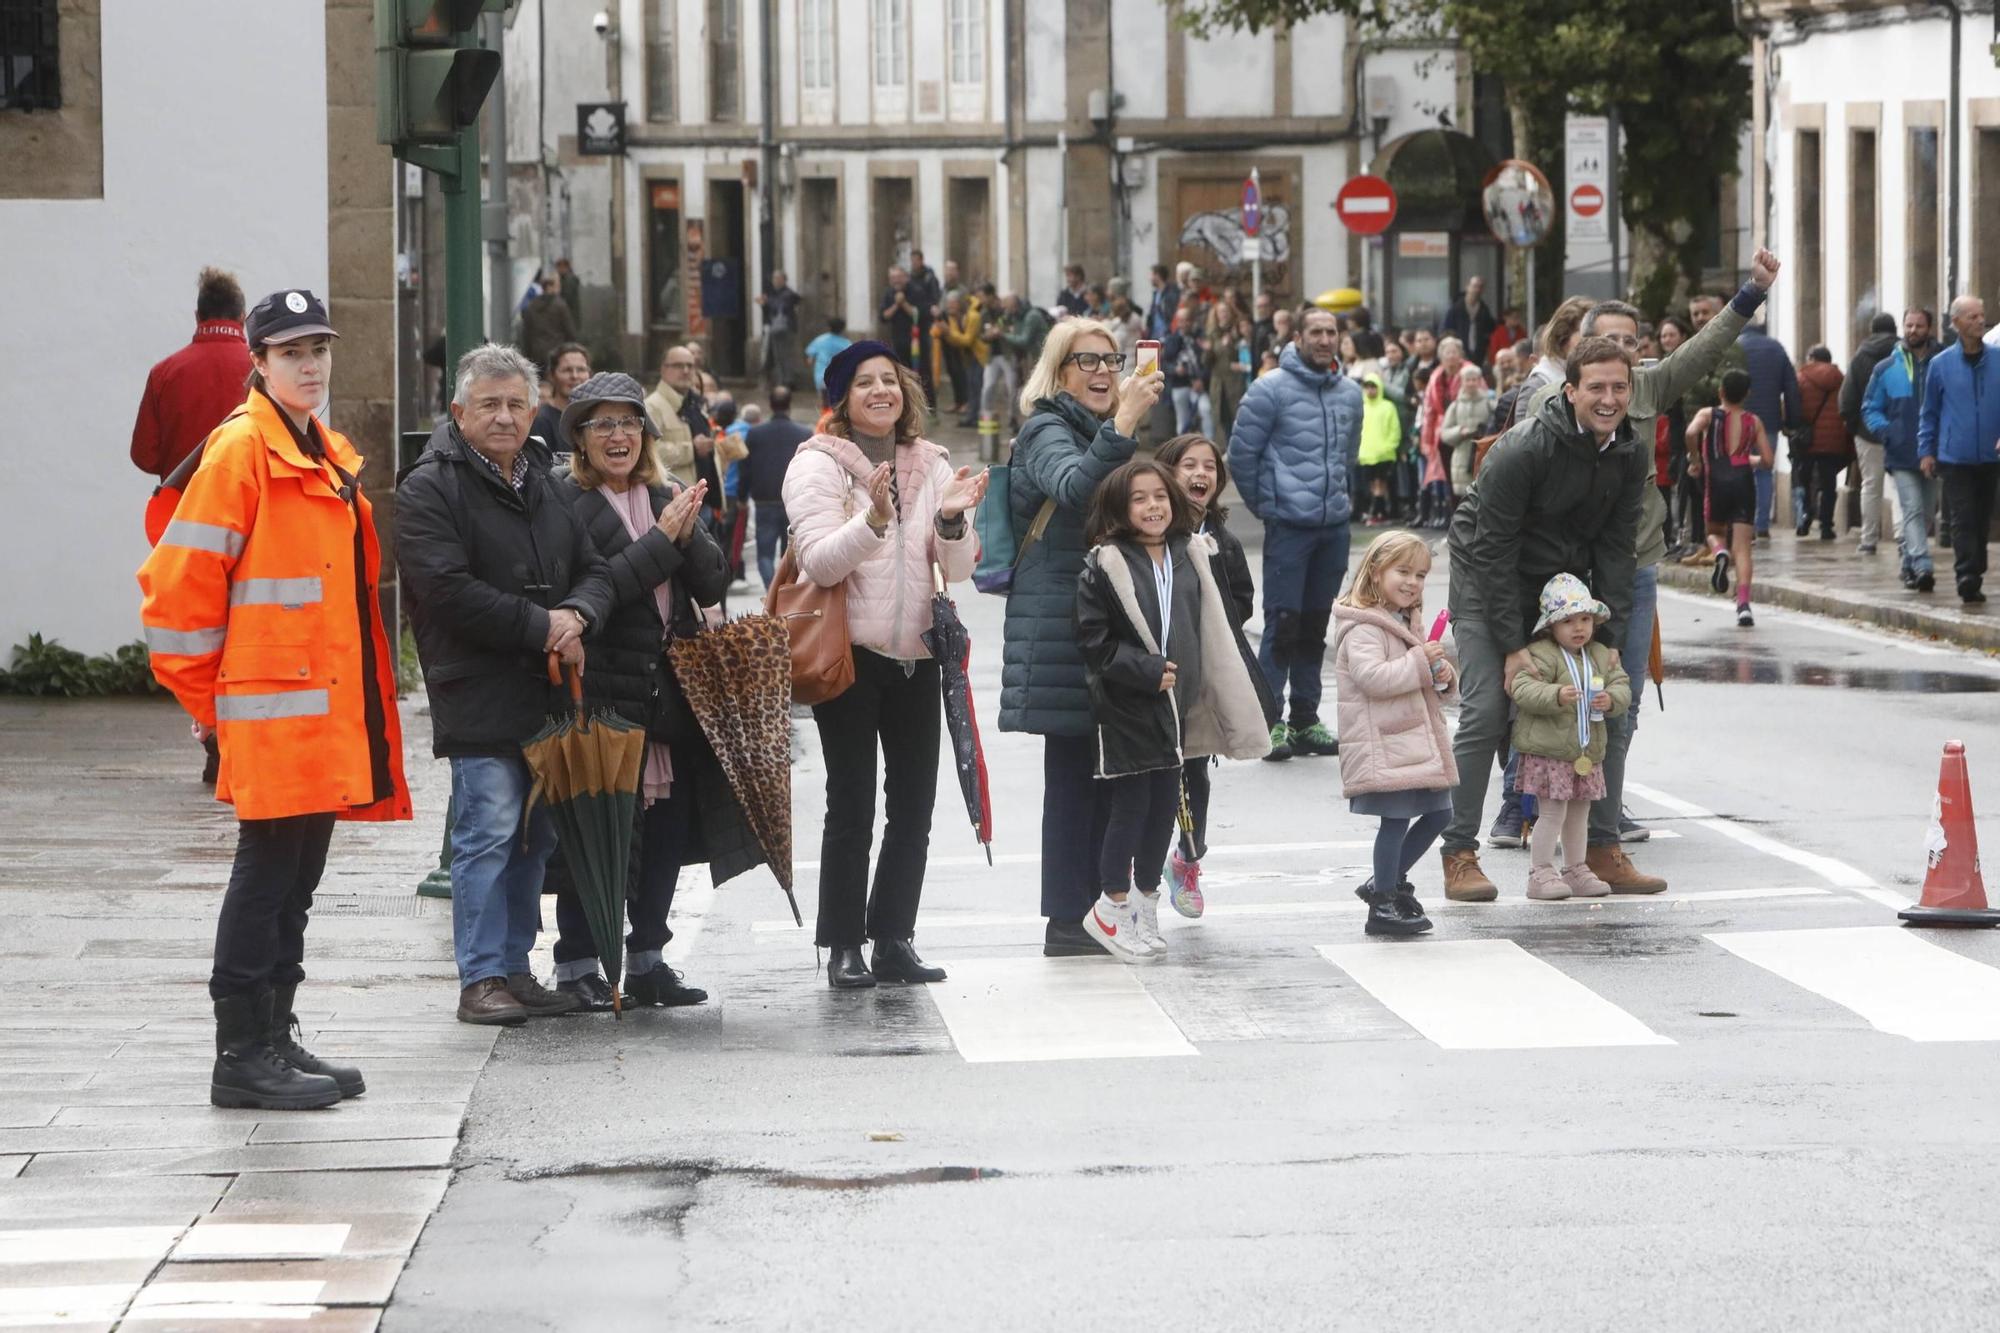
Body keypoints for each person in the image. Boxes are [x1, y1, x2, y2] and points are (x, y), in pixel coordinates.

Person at [139, 288, 412, 1110]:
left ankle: (275, 1034)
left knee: (296, 880)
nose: (310, 364)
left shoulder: (318, 450)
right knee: (265, 879)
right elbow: (176, 599)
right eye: (292, 352)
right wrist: (216, 710)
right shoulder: (242, 452)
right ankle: (241, 1054)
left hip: (317, 716)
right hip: (272, 718)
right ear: (257, 362)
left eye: (319, 349)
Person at [397, 344, 613, 1026]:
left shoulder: (546, 479)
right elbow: (445, 590)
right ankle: (481, 975)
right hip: (479, 689)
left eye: (517, 404)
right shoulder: (430, 487)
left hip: (546, 694)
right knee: (488, 828)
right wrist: (540, 625)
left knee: (534, 838)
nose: (504, 416)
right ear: (457, 411)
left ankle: (517, 968)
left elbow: (595, 565)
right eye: (489, 404)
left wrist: (578, 614)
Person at [783, 342, 987, 988]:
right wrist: (873, 519)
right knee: (852, 804)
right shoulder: (816, 465)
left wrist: (952, 521)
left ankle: (893, 936)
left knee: (914, 806)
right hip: (849, 654)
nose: (881, 392)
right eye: (864, 382)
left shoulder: (932, 464)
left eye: (890, 381)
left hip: (917, 655)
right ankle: (844, 942)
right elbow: (818, 562)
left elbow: (956, 568)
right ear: (841, 398)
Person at [1438, 337, 1645, 902]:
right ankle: (1459, 851)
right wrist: (1511, 645)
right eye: (1596, 387)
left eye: (1619, 387)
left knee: (1604, 708)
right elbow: (1492, 548)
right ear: (1571, 390)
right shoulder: (1525, 448)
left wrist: (1610, 645)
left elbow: (1615, 552)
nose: (1609, 399)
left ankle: (1601, 849)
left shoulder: (1629, 451)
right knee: (1486, 712)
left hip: (1561, 590)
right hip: (1487, 575)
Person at [551, 373, 732, 1009]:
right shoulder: (565, 503)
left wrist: (687, 537)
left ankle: (649, 957)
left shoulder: (667, 491)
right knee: (600, 827)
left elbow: (713, 583)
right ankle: (576, 963)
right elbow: (602, 588)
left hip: (670, 690)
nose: (618, 435)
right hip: (602, 689)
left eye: (629, 423)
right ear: (580, 437)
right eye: (602, 424)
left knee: (667, 827)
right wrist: (662, 543)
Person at [1001, 319, 1165, 957]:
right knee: (1074, 776)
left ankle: (1099, 907)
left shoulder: (1095, 428)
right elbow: (1073, 490)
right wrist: (1123, 425)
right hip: (1061, 623)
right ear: (1058, 371)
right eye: (1086, 361)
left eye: (1111, 360)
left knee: (1108, 771)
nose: (1102, 372)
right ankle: (1068, 919)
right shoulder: (1045, 427)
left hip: (1096, 620)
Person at [1074, 459, 1270, 962]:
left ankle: (1144, 903)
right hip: (1129, 704)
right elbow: (1094, 644)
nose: (1152, 506)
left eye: (1159, 496)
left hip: (1181, 704)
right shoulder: (1106, 561)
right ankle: (1110, 908)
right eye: (1139, 498)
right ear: (1120, 508)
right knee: (1130, 808)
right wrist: (1144, 670)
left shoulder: (1191, 552)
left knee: (1164, 808)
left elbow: (1219, 622)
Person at [1228, 306, 1363, 762]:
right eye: (1317, 332)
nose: (1325, 340)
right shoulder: (1269, 390)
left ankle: (1306, 718)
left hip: (1333, 527)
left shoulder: (1350, 393)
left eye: (1332, 332)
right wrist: (1268, 507)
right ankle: (1270, 721)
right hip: (1289, 526)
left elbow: (1349, 456)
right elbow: (1241, 456)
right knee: (1282, 625)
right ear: (1299, 337)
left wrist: (1343, 501)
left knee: (1314, 624)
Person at [1156, 433, 1262, 916]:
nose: (1201, 475)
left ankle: (1187, 858)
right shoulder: (1154, 535)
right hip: (1158, 674)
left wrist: (1213, 631)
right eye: (1189, 466)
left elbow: (1242, 599)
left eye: (1210, 468)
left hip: (1203, 674)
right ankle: (1136, 877)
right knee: (1155, 776)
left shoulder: (1223, 538)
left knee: (1194, 770)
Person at [1332, 531, 1458, 936]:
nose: (1412, 582)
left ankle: (1384, 882)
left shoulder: (1406, 620)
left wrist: (1440, 675)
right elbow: (1374, 679)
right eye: (1402, 571)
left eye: (1420, 575)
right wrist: (1420, 661)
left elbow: (1415, 675)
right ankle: (1383, 901)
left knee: (1441, 812)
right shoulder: (1363, 627)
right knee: (1395, 819)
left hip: (1409, 741)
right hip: (1383, 742)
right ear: (1374, 572)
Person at [1508, 574, 1632, 901]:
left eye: (1585, 619)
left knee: (1580, 813)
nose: (1579, 628)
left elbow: (1621, 683)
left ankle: (1576, 868)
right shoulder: (1542, 654)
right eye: (1567, 621)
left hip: (1586, 752)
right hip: (1549, 753)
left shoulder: (1600, 654)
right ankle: (1540, 872)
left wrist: (1613, 698)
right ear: (1551, 626)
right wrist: (1554, 695)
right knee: (1552, 813)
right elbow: (1522, 688)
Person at [131, 267, 255, 482]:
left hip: (183, 506)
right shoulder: (265, 370)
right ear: (242, 318)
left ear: (198, 317)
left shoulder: (163, 373)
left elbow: (144, 456)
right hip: (247, 507)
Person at [1918, 295, 2000, 604]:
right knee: (1963, 518)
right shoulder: (1940, 365)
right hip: (1954, 456)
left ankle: (1975, 568)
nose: (1980, 321)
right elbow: (1930, 412)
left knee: (1982, 519)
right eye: (1972, 317)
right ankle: (1966, 575)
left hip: (1991, 456)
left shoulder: (1998, 360)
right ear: (1956, 323)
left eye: (1982, 315)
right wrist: (1926, 451)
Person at [1686, 370, 1774, 628]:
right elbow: (1767, 461)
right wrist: (1749, 459)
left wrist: (1695, 460)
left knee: (1714, 531)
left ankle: (1720, 552)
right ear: (1747, 394)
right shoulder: (1753, 421)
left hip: (1716, 479)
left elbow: (1691, 433)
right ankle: (1744, 605)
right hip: (1744, 481)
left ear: (1720, 391)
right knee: (1744, 547)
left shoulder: (1707, 415)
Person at [1862, 309, 1940, 592]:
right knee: (1912, 509)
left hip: (1935, 452)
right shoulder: (1886, 368)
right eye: (1909, 325)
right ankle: (1922, 564)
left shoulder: (1941, 363)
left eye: (1919, 325)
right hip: (1901, 453)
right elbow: (1870, 408)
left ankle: (1908, 563)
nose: (1913, 330)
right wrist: (1887, 432)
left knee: (1927, 513)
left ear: (1929, 328)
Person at [1844, 311, 1902, 555]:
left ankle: (1868, 539)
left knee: (1871, 485)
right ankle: (1903, 536)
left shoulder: (1860, 357)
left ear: (1872, 330)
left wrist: (1854, 425)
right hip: (1901, 429)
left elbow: (1847, 398)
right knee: (1902, 483)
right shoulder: (1903, 354)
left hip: (1867, 431)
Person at [1737, 318, 1800, 539]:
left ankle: (1743, 522)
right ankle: (1761, 524)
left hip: (1738, 420)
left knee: (1740, 471)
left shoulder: (1735, 348)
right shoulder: (1776, 348)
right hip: (1769, 422)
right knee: (1765, 471)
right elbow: (1791, 388)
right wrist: (1792, 422)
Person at [742, 383, 811, 586]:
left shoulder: (755, 434)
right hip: (793, 501)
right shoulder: (804, 433)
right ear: (789, 404)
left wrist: (741, 497)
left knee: (764, 553)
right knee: (789, 555)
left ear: (770, 405)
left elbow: (746, 468)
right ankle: (783, 593)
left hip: (764, 500)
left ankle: (771, 592)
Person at [1794, 347, 1851, 541]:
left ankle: (1805, 518)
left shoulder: (1801, 378)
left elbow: (1794, 406)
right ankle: (1826, 526)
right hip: (1833, 440)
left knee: (1805, 480)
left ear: (1811, 358)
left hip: (1807, 441)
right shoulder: (1840, 378)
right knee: (1828, 484)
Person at [645, 344, 716, 491]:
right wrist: (691, 449)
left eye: (690, 366)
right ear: (663, 369)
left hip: (704, 499)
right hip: (677, 501)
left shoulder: (696, 403)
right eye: (678, 366)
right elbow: (647, 453)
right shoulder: (652, 406)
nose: (685, 371)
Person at [530, 342, 591, 460]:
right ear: (551, 375)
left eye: (581, 369)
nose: (575, 376)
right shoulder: (541, 420)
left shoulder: (594, 418)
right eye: (567, 370)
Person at [1356, 371, 1402, 526]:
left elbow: (1394, 429)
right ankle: (1378, 512)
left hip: (1384, 454)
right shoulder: (1361, 407)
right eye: (1367, 387)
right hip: (1366, 454)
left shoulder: (1388, 407)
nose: (1370, 390)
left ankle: (1378, 513)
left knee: (1380, 484)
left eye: (1373, 387)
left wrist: (1389, 446)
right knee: (1372, 485)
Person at [1203, 300, 1251, 447]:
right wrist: (1209, 350)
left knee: (1236, 416)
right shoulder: (1212, 334)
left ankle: (1236, 448)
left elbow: (1243, 354)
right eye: (1220, 312)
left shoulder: (1237, 332)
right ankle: (1226, 448)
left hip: (1235, 382)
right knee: (1221, 417)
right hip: (1218, 383)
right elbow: (1206, 363)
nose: (1223, 315)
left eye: (1226, 311)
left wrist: (1228, 345)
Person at [1440, 363, 1492, 497]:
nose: (1471, 383)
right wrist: (1459, 431)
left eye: (1474, 379)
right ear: (1462, 382)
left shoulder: (1489, 402)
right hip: (1462, 455)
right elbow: (1444, 433)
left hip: (1484, 452)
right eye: (1468, 380)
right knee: (1465, 497)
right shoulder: (1455, 406)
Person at [938, 291, 987, 427]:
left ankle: (977, 417)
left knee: (977, 387)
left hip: (980, 355)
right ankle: (971, 417)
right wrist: (948, 333)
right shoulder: (954, 318)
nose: (950, 308)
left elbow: (967, 340)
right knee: (971, 387)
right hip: (969, 357)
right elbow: (956, 340)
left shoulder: (973, 316)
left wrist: (948, 332)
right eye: (948, 305)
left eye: (952, 304)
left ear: (960, 304)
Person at [518, 274, 579, 375]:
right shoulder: (560, 306)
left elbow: (526, 334)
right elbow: (570, 332)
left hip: (536, 354)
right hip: (556, 353)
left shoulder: (531, 306)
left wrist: (527, 356)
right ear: (554, 286)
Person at [756, 269, 802, 390]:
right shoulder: (775, 293)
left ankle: (788, 380)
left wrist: (767, 301)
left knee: (785, 355)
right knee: (777, 356)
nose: (774, 281)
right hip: (776, 328)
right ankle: (782, 379)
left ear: (783, 280)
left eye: (777, 279)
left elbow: (780, 306)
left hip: (785, 328)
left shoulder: (787, 294)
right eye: (774, 278)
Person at [1438, 276, 1497, 368]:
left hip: (1479, 353)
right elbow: (1446, 330)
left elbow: (1490, 329)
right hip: (1459, 351)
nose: (1477, 290)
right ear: (1467, 287)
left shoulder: (1484, 310)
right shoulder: (1455, 309)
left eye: (1480, 287)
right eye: (1474, 286)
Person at [879, 266, 918, 368]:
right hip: (896, 340)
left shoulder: (915, 290)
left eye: (899, 277)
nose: (896, 280)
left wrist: (904, 303)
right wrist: (896, 304)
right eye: (893, 278)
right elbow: (883, 317)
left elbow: (918, 315)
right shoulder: (888, 293)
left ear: (906, 277)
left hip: (916, 341)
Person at [805, 316, 852, 391]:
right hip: (839, 378)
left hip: (821, 376)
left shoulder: (820, 340)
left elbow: (809, 360)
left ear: (829, 327)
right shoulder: (846, 344)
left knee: (824, 399)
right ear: (843, 329)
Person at [1146, 263, 1181, 341]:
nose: (1149, 278)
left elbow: (1172, 316)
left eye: (1151, 275)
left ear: (1157, 275)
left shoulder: (1171, 294)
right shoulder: (1156, 294)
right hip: (1154, 336)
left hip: (1167, 337)